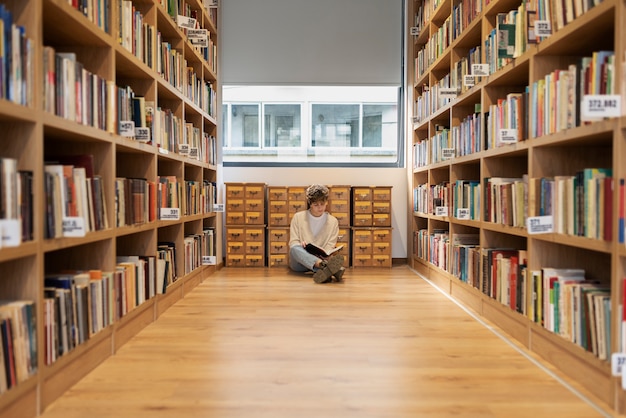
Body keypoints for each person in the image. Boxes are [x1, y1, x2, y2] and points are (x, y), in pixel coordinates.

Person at [289, 184, 345, 283]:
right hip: (299, 262)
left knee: (327, 258)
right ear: (310, 204)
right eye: (316, 205)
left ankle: (323, 269)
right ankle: (325, 267)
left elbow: (330, 246)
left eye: (322, 204)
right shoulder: (298, 217)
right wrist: (301, 246)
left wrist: (325, 254)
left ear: (326, 202)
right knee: (294, 248)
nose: (320, 208)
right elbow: (293, 242)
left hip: (321, 258)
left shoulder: (333, 221)